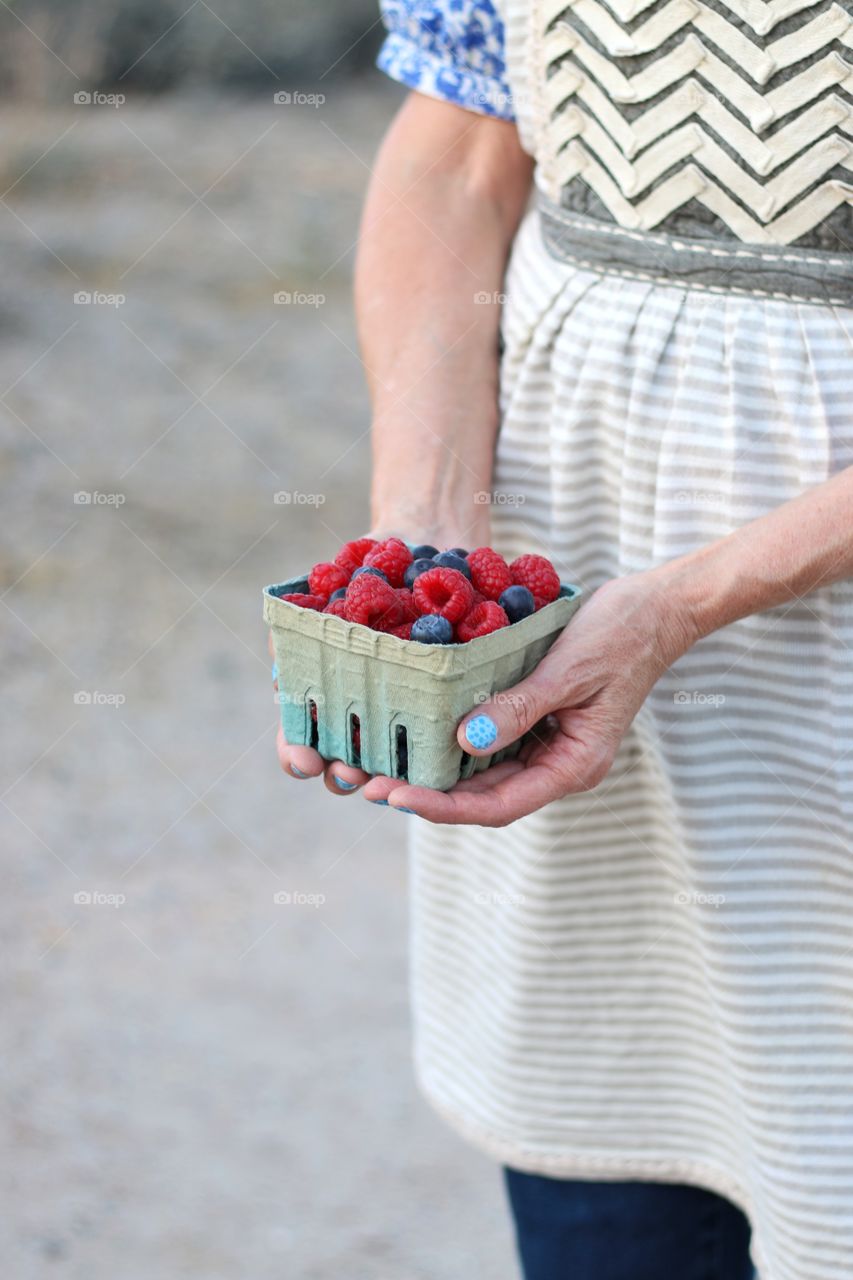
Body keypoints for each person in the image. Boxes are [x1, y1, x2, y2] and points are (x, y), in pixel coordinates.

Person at [275, 2, 853, 1276]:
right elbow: (459, 149)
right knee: (608, 1158)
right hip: (572, 550)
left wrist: (684, 603)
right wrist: (427, 552)